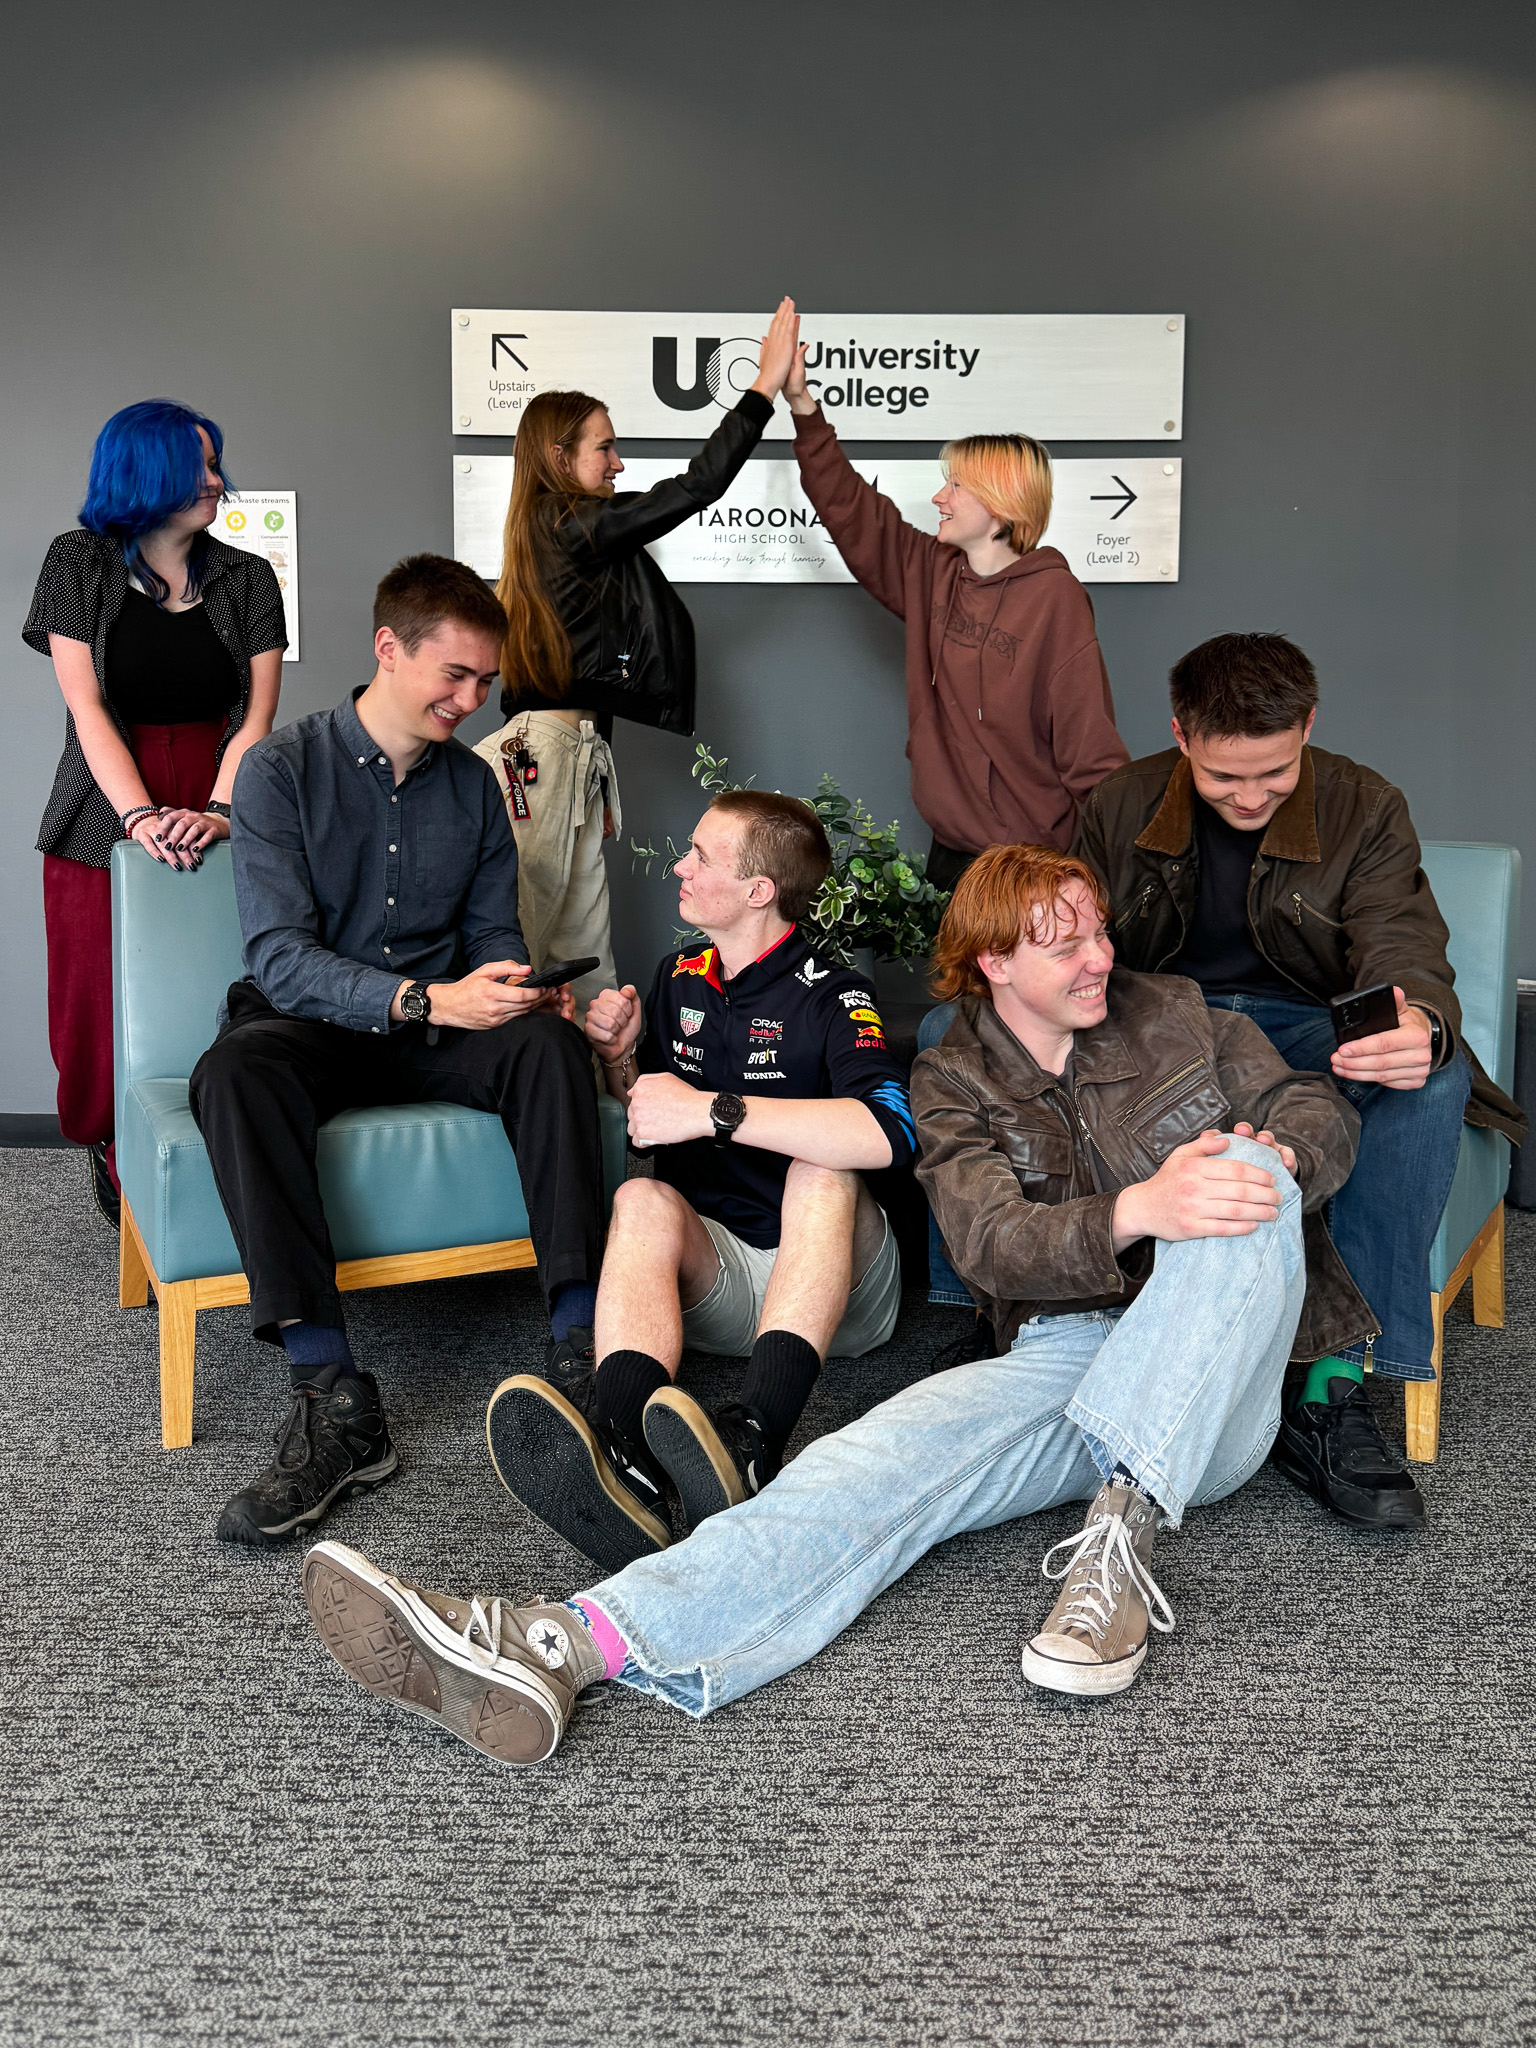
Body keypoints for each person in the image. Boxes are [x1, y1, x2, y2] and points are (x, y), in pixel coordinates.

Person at [296, 843, 1362, 1767]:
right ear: (996, 963)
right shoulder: (952, 1079)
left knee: (1248, 1174)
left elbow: (1312, 1107)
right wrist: (1136, 1206)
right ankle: (560, 1644)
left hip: (1220, 1385)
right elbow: (991, 1243)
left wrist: (1279, 1150)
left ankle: (1116, 1543)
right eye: (1065, 943)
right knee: (862, 1468)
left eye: (1098, 933)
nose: (1100, 958)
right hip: (1067, 1351)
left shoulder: (1180, 1015)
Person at [188, 554, 608, 1548]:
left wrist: (506, 981)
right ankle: (334, 1395)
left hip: (436, 1025)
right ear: (389, 648)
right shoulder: (279, 769)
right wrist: (424, 995)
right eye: (454, 677)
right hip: (310, 1021)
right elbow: (281, 957)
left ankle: (585, 1346)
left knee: (548, 1044)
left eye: (484, 685)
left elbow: (489, 930)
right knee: (234, 1072)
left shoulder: (474, 789)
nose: (470, 701)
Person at [1072, 631, 1527, 1530]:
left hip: (1311, 1021)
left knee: (1429, 1081)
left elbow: (1402, 940)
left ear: (1309, 727)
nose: (1249, 798)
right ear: (1181, 735)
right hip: (1170, 1022)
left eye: (1273, 774)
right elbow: (1075, 929)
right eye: (1223, 777)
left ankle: (1333, 1386)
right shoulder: (1119, 803)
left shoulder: (1365, 803)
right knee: (961, 1038)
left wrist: (1419, 1026)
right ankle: (1043, 1327)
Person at [480, 789, 917, 1572]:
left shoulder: (834, 990)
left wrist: (715, 1110)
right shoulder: (680, 973)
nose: (678, 866)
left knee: (825, 1168)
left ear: (758, 891)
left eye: (701, 857)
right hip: (718, 1282)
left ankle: (753, 1441)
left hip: (838, 1289)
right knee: (638, 1197)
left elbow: (890, 1131)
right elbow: (653, 1111)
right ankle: (626, 1462)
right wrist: (620, 1057)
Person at [472, 299, 802, 1019]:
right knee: (530, 939)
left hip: (568, 751)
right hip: (547, 755)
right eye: (604, 448)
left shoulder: (560, 530)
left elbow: (582, 668)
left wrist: (598, 772)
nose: (617, 463)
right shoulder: (563, 522)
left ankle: (601, 1093)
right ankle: (521, 1079)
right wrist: (761, 392)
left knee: (581, 936)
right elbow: (696, 487)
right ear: (562, 459)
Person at [23, 399, 286, 1225]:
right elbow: (88, 709)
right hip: (103, 807)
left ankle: (222, 1141)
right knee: (94, 995)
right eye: (198, 465)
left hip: (220, 801)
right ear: (145, 472)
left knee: (221, 985)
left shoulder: (248, 577)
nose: (216, 480)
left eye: (215, 462)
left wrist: (215, 811)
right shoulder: (76, 563)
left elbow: (256, 723)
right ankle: (110, 1143)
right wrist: (139, 819)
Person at [782, 329, 1127, 894]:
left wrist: (1106, 873)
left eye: (956, 484)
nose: (940, 497)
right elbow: (850, 507)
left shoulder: (1054, 598)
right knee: (959, 987)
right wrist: (802, 405)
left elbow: (1088, 743)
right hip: (954, 853)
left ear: (1001, 504)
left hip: (1032, 865)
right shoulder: (933, 571)